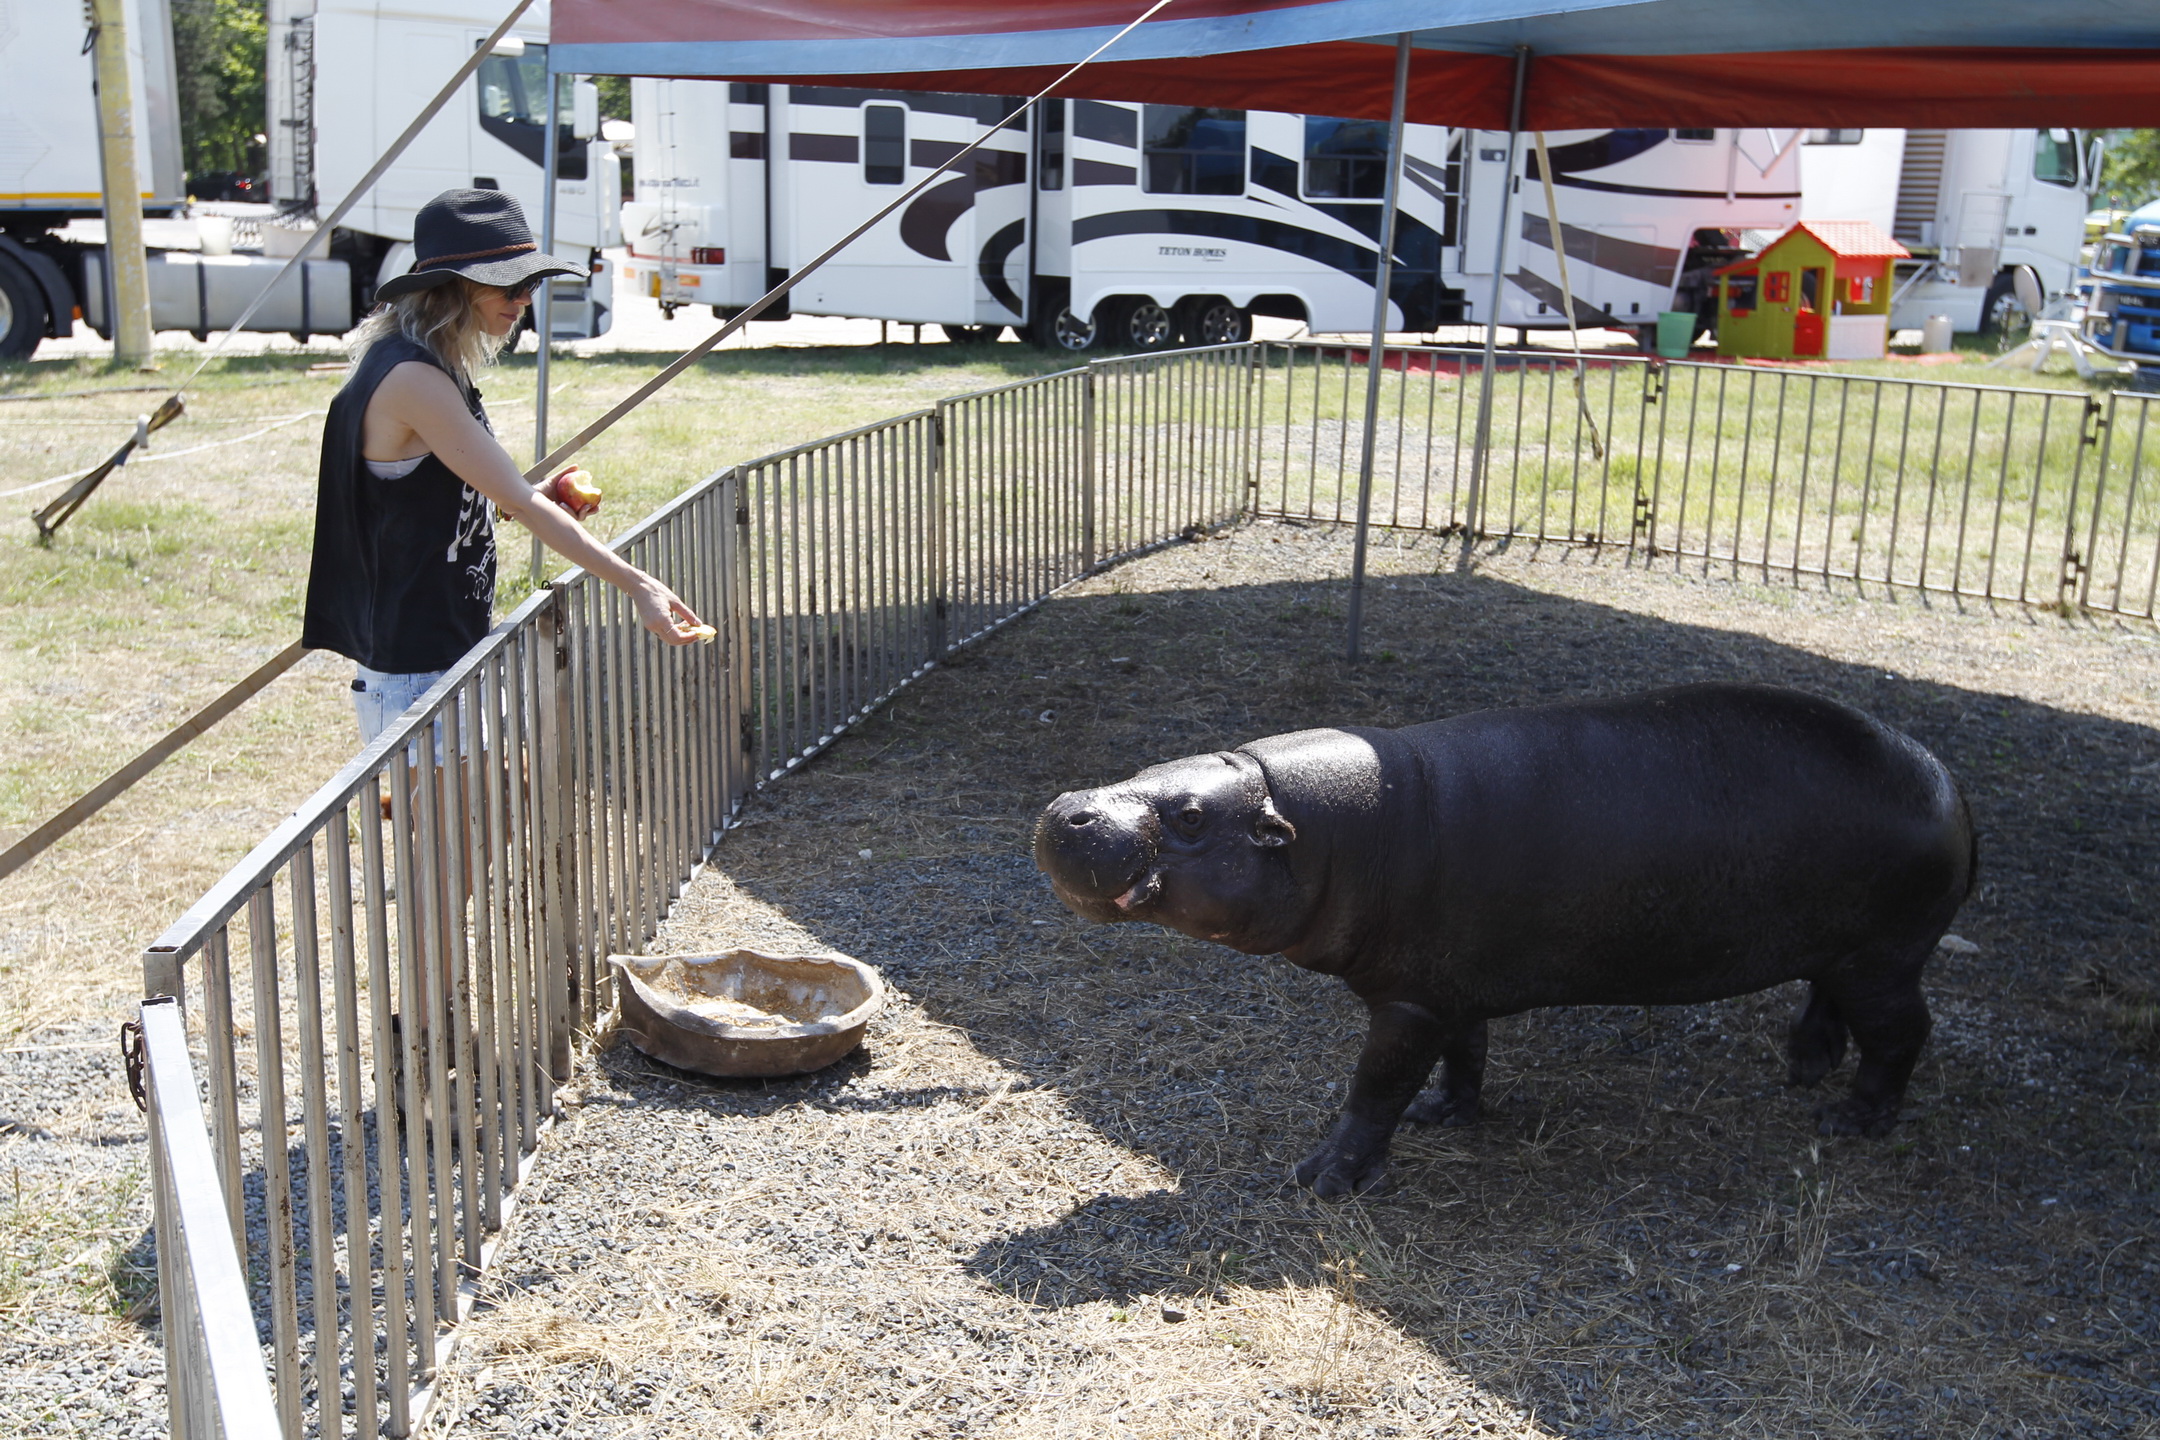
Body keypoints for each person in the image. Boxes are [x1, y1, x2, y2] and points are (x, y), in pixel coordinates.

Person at [303, 188, 700, 745]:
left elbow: (454, 486)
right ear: (451, 289)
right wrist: (637, 585)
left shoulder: (430, 363)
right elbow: (515, 499)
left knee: (476, 827)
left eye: (531, 284)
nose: (523, 300)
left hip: (441, 649)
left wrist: (521, 492)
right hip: (417, 665)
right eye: (508, 285)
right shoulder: (412, 376)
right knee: (452, 833)